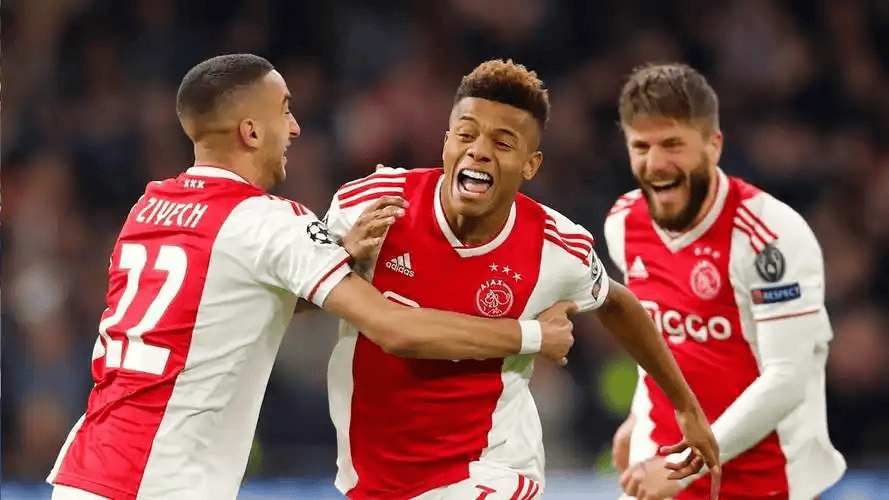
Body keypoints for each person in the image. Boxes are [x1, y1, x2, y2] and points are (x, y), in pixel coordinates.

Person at [45, 53, 580, 500]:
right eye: (284, 110)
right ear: (250, 131)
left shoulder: (149, 207)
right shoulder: (272, 222)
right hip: (162, 482)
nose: (295, 127)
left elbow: (227, 301)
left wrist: (337, 255)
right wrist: (533, 335)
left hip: (82, 471)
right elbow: (395, 329)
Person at [322, 59, 720, 500]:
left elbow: (615, 302)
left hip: (492, 467)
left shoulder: (557, 248)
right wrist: (341, 256)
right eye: (466, 134)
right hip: (373, 477)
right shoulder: (371, 205)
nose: (478, 151)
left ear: (531, 165)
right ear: (446, 141)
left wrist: (685, 406)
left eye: (502, 142)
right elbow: (301, 297)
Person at [606, 63, 846, 500]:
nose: (655, 164)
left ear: (713, 145)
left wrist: (682, 467)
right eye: (641, 146)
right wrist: (639, 417)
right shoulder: (624, 223)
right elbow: (658, 341)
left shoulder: (769, 237)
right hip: (666, 475)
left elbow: (787, 377)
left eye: (673, 145)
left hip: (766, 482)